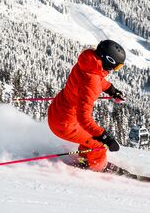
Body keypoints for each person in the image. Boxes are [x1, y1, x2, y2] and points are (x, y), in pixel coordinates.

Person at [48, 39, 126, 171]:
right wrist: (105, 137)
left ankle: (85, 158)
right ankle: (98, 167)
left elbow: (95, 78)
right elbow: (84, 118)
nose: (115, 69)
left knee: (90, 138)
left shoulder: (88, 62)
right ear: (108, 60)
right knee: (99, 146)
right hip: (65, 124)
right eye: (117, 66)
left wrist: (111, 90)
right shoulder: (92, 83)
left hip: (57, 110)